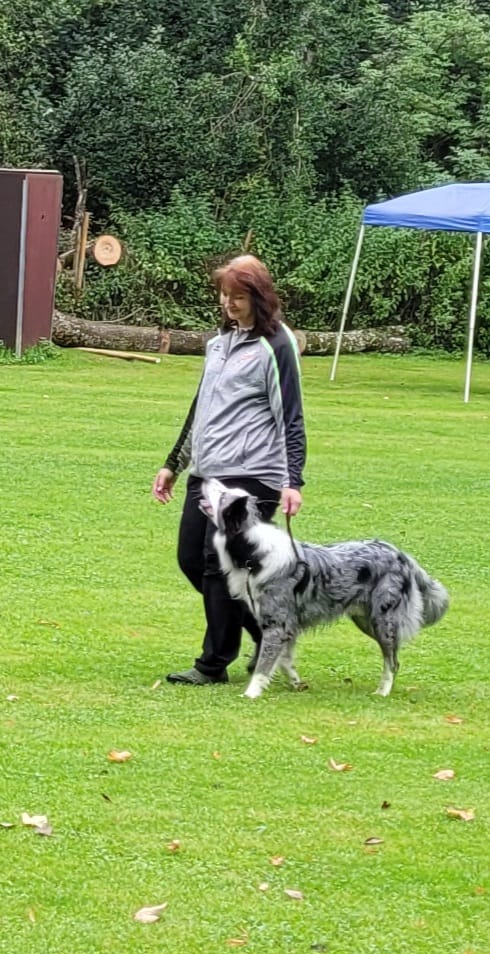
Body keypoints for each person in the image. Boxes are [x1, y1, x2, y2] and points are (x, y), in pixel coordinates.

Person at [153, 254, 306, 685]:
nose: (229, 303)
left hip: (252, 474)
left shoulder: (275, 345)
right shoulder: (219, 343)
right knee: (190, 559)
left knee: (217, 565)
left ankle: (213, 663)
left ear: (260, 298)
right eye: (224, 295)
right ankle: (268, 631)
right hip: (207, 470)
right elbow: (202, 408)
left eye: (238, 296)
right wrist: (173, 464)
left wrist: (293, 480)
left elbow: (290, 415)